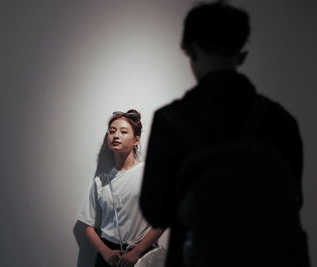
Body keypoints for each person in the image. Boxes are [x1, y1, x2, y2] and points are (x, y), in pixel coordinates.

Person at [140, 1, 309, 266]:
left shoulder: (170, 122)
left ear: (190, 50)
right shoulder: (281, 121)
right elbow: (293, 202)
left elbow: (156, 212)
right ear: (241, 54)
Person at [78, 109, 164, 267]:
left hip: (141, 256)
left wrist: (137, 251)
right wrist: (105, 251)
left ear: (136, 140)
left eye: (123, 131)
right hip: (108, 257)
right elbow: (87, 225)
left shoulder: (150, 174)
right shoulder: (101, 181)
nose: (116, 135)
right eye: (112, 131)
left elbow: (163, 219)